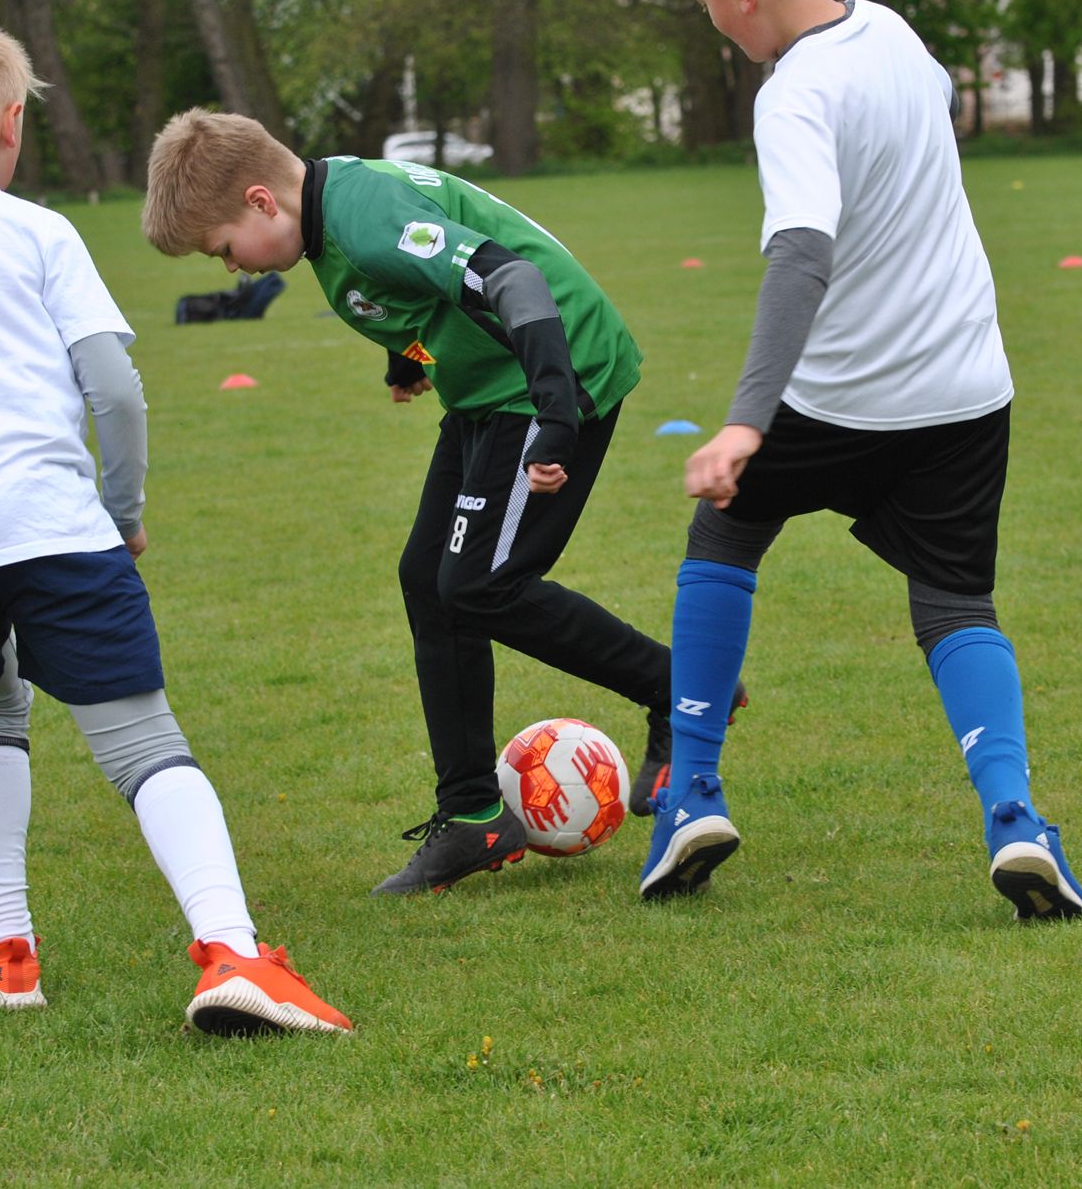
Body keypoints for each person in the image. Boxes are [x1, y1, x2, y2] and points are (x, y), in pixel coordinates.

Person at [0, 21, 352, 1034]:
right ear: (14, 125)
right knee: (142, 742)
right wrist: (121, 514)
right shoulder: (39, 233)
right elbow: (115, 392)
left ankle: (4, 954)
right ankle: (232, 952)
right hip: (43, 524)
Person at [638, 0, 1082, 919]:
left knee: (723, 535)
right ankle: (1016, 820)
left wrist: (746, 420)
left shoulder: (792, 94)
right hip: (965, 386)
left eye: (709, 9)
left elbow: (800, 253)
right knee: (953, 602)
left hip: (838, 396)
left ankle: (691, 792)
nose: (717, 30)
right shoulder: (893, 35)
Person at [140, 110, 740, 894]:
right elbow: (419, 285)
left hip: (551, 377)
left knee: (482, 585)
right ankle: (471, 815)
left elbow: (511, 277)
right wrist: (405, 359)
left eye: (222, 248)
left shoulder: (361, 218)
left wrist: (558, 414)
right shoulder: (326, 210)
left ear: (261, 201)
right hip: (487, 388)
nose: (231, 268)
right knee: (429, 578)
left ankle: (678, 688)